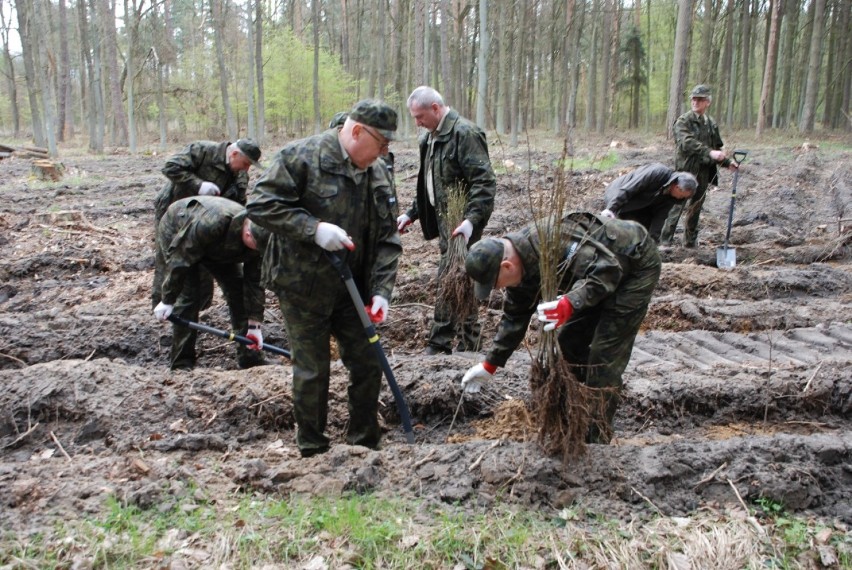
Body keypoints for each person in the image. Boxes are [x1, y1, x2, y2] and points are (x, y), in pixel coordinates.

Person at [247, 99, 402, 458]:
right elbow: (260, 205)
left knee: (367, 362)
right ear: (357, 131)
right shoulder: (302, 156)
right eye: (381, 143)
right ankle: (313, 448)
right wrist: (312, 229)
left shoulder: (378, 171)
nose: (383, 152)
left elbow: (387, 238)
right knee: (312, 370)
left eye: (388, 147)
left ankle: (363, 443)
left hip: (354, 288)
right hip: (303, 286)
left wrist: (381, 291)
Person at [461, 213, 661, 444]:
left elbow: (607, 270)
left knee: (604, 355)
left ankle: (596, 439)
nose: (497, 290)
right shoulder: (518, 271)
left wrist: (570, 302)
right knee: (568, 347)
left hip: (633, 265)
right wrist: (489, 365)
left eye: (495, 284)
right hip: (592, 278)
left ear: (506, 266)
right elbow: (514, 318)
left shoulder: (553, 242)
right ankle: (573, 412)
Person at [397, 86, 496, 355]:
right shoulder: (428, 139)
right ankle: (469, 343)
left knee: (451, 279)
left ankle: (440, 343)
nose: (416, 122)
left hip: (463, 226)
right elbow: (430, 183)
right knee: (461, 280)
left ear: (436, 109)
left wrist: (471, 221)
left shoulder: (465, 134)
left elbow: (484, 183)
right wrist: (411, 214)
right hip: (445, 226)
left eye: (419, 116)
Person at [152, 196, 269, 371]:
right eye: (256, 246)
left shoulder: (261, 241)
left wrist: (255, 325)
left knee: (238, 291)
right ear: (247, 234)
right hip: (179, 230)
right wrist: (168, 299)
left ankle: (251, 359)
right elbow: (180, 261)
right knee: (189, 297)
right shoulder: (212, 223)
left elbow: (254, 284)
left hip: (218, 248)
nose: (258, 251)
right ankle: (181, 364)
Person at [152, 138, 263, 309]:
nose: (247, 169)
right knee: (173, 261)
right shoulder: (202, 150)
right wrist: (198, 184)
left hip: (211, 224)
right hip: (176, 215)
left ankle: (198, 306)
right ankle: (166, 305)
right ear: (234, 154)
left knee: (205, 265)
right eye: (246, 163)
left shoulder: (240, 174)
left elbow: (239, 202)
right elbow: (170, 167)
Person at [660, 85, 738, 247]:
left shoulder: (710, 124)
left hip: (703, 173)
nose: (695, 102)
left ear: (707, 102)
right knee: (676, 207)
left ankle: (690, 242)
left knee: (695, 207)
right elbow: (686, 143)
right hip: (685, 172)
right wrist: (709, 152)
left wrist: (727, 162)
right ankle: (664, 242)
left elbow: (716, 148)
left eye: (700, 99)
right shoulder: (683, 121)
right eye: (694, 99)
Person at [600, 163, 697, 242]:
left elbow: (660, 217)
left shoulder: (671, 196)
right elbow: (628, 189)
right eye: (682, 196)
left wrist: (653, 241)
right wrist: (610, 209)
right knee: (622, 232)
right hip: (618, 194)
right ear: (677, 187)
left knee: (642, 234)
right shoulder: (657, 173)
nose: (681, 199)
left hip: (641, 205)